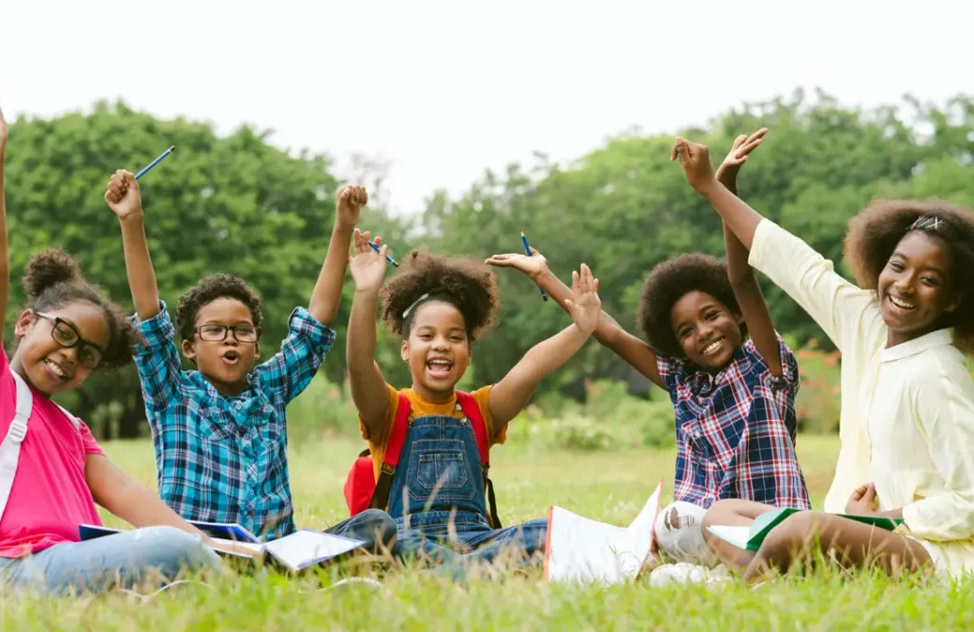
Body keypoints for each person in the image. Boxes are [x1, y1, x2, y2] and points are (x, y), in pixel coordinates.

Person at [487, 130, 810, 564]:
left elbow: (741, 278)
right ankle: (701, 569)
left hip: (772, 528)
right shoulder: (685, 385)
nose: (704, 332)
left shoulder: (765, 367)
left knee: (676, 526)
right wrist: (544, 275)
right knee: (671, 526)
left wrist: (721, 187)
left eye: (712, 316)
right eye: (686, 331)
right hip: (701, 535)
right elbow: (608, 331)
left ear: (736, 314)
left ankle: (745, 566)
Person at [0, 99, 221, 595]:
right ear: (26, 322)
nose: (71, 354)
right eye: (64, 334)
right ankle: (240, 590)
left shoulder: (72, 429)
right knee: (175, 553)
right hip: (10, 570)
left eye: (88, 354)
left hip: (70, 564)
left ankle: (236, 574)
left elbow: (130, 497)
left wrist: (214, 546)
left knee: (182, 549)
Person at [674, 134, 974, 581]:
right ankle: (779, 574)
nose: (905, 285)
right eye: (898, 266)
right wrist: (714, 190)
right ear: (880, 263)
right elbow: (793, 262)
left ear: (953, 299)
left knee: (798, 529)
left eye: (929, 278)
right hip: (857, 527)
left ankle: (738, 583)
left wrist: (886, 519)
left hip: (932, 553)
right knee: (722, 514)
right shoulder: (868, 321)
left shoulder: (940, 372)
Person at [107, 169, 396, 556]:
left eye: (242, 331)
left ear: (257, 347)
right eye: (215, 330)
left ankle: (303, 570)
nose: (230, 337)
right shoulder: (173, 393)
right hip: (201, 551)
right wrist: (131, 221)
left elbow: (316, 325)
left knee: (377, 524)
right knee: (165, 551)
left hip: (276, 551)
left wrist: (343, 226)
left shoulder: (270, 388)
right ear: (189, 347)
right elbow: (148, 315)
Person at [345, 230, 601, 572]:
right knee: (379, 529)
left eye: (455, 337)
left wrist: (580, 329)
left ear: (468, 353)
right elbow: (360, 363)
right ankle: (479, 570)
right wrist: (365, 292)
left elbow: (531, 367)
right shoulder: (390, 410)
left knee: (548, 530)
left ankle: (459, 571)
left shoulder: (481, 410)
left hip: (477, 539)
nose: (441, 344)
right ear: (405, 350)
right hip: (410, 538)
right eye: (426, 335)